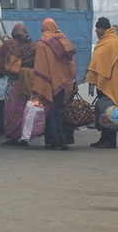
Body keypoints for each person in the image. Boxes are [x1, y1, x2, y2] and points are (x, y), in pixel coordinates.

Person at [33, 18, 77, 150]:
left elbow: (40, 65)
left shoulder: (42, 43)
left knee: (50, 110)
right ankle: (63, 140)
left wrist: (39, 84)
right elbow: (70, 62)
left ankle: (54, 141)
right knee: (59, 110)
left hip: (48, 82)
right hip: (61, 81)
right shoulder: (63, 40)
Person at [86, 17, 118, 149]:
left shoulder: (111, 41)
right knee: (104, 111)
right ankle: (104, 138)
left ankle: (110, 141)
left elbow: (103, 62)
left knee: (109, 110)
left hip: (110, 81)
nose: (96, 31)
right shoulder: (106, 40)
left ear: (104, 28)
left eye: (98, 28)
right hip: (105, 80)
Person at [0, 24, 36, 146]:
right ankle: (24, 137)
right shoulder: (32, 46)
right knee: (25, 110)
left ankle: (13, 136)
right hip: (28, 82)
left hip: (14, 83)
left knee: (11, 109)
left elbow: (3, 54)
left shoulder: (11, 45)